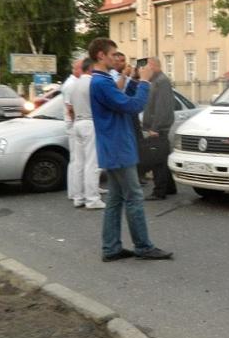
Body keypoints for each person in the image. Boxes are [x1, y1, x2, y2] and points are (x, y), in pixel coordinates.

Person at [88, 37, 172, 262]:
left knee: (115, 199)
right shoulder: (100, 82)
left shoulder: (102, 81)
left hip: (115, 147)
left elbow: (121, 100)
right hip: (118, 148)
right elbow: (132, 106)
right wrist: (144, 82)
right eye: (112, 54)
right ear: (101, 56)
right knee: (134, 196)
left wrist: (133, 81)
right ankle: (143, 246)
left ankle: (111, 248)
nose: (116, 58)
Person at [66, 57, 104, 209]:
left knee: (79, 162)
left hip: (78, 123)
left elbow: (70, 108)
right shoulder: (92, 83)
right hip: (90, 123)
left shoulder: (74, 85)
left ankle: (78, 197)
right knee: (92, 163)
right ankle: (92, 198)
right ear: (91, 68)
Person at [140, 57, 177, 200]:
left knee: (157, 160)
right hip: (157, 126)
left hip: (158, 127)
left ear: (154, 66)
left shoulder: (161, 82)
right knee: (162, 157)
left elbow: (162, 107)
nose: (145, 70)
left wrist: (154, 127)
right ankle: (169, 187)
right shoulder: (156, 81)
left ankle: (159, 191)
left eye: (147, 67)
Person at [61, 58, 84, 207]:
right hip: (74, 124)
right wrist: (77, 123)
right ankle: (77, 193)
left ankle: (75, 191)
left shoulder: (74, 82)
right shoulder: (71, 84)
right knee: (77, 160)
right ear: (74, 69)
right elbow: (70, 108)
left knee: (77, 159)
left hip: (74, 123)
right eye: (81, 68)